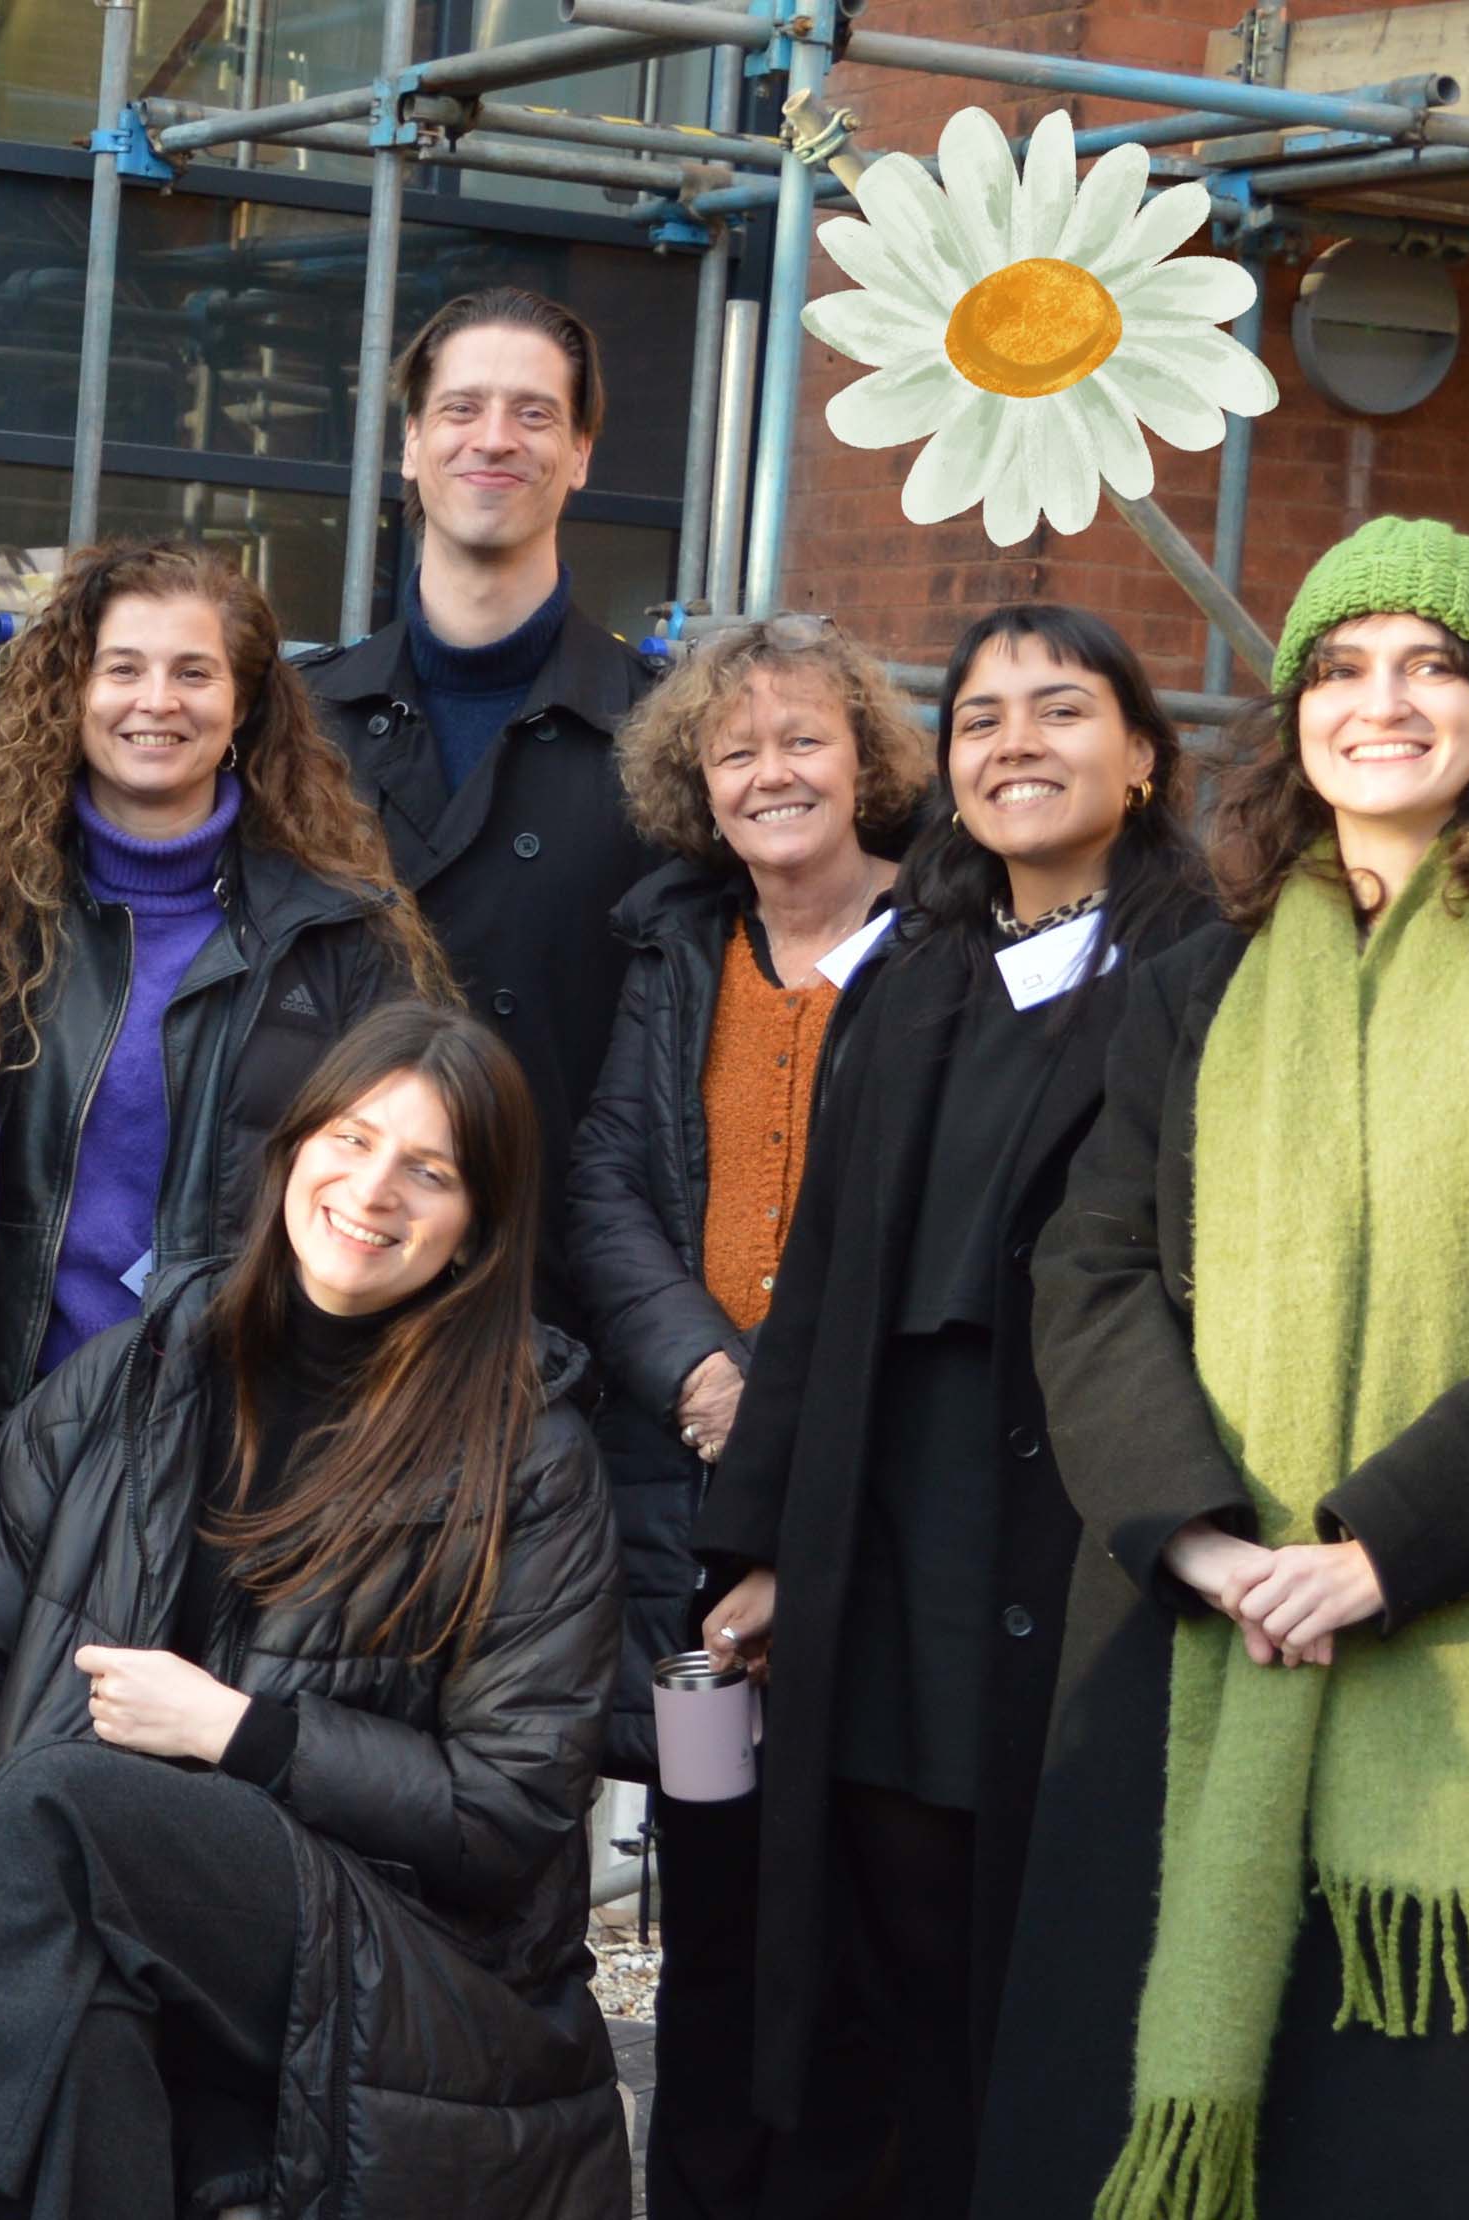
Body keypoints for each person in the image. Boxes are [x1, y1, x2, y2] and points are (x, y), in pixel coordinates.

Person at [983, 522, 1469, 2220]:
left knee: (1412, 2142)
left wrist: (1374, 1550)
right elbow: (1088, 1270)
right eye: (1342, 668)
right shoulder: (1188, 992)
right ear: (1294, 716)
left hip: (1468, 1646)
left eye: (1433, 665)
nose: (1384, 702)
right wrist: (1205, 1538)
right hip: (1191, 1631)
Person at [0, 1004, 626, 2220]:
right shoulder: (122, 1381)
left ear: (477, 1227)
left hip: (382, 1948)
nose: (372, 1191)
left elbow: (507, 1812)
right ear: (291, 1151)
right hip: (78, 1907)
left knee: (69, 1791)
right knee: (65, 2025)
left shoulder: (528, 1458)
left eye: (427, 1174)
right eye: (350, 1140)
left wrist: (241, 1733)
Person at [682, 604, 1215, 2217]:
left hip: (1071, 1520)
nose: (1014, 744)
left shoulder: (1204, 976)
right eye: (979, 718)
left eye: (1060, 711)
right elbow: (824, 1274)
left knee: (1040, 1924)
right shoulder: (913, 976)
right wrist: (764, 1541)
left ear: (1139, 758)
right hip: (885, 1510)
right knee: (885, 1907)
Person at [552, 612, 927, 2220]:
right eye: (733, 750)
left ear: (865, 761)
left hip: (876, 1514)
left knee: (863, 1911)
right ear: (694, 787)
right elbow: (605, 1188)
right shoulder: (668, 951)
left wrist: (786, 1427)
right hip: (694, 1517)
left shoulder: (949, 955)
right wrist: (705, 1380)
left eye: (800, 739)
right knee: (706, 1895)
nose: (768, 772)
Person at [0, 537, 438, 1486]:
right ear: (74, 693)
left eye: (193, 672)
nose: (155, 701)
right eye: (122, 669)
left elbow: (402, 1206)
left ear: (242, 705)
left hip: (232, 1441)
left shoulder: (339, 937)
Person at [298, 289, 662, 1278]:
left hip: (555, 1292)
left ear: (580, 454)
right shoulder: (292, 723)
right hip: (316, 1273)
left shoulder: (668, 736)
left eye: (534, 412)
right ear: (411, 444)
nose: (493, 439)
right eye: (460, 409)